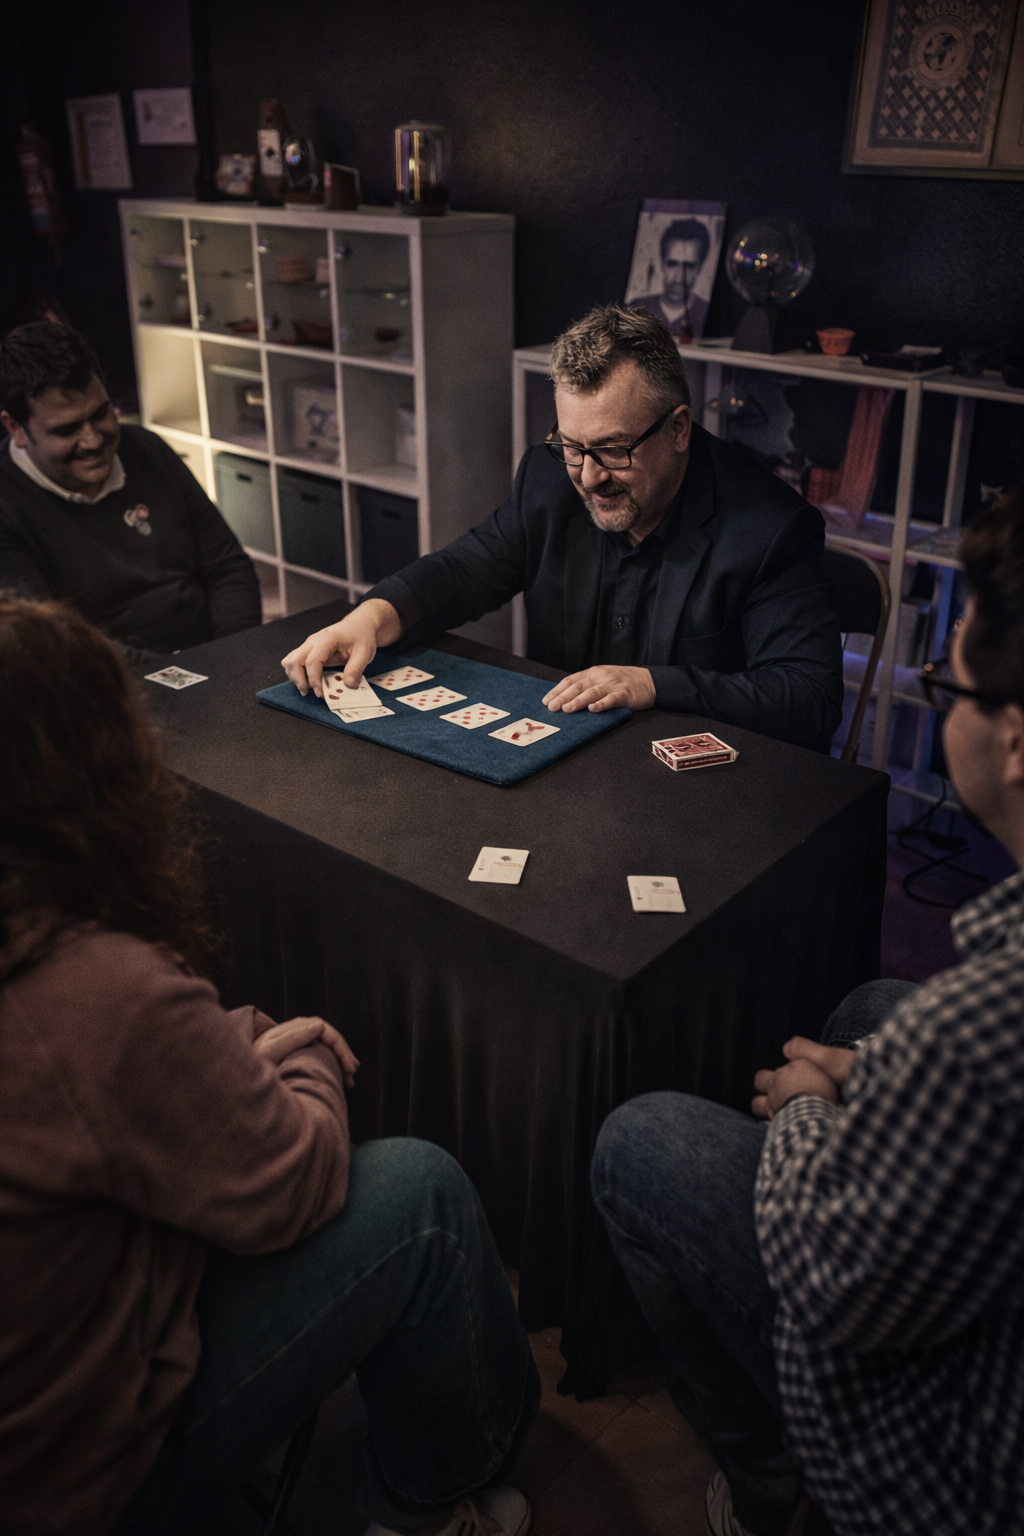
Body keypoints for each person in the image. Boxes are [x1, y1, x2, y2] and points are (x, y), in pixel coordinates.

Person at [0, 595, 539, 1536]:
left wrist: (215, 1044)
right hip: (78, 1478)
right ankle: (431, 1506)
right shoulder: (94, 988)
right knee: (422, 1193)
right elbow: (295, 1182)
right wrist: (308, 1055)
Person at [591, 487, 1024, 1536]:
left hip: (956, 1465)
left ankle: (772, 1490)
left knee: (634, 1141)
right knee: (871, 1005)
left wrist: (806, 1110)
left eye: (947, 684)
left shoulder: (980, 1025)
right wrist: (881, 1071)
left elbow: (830, 1272)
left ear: (1013, 740)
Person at [282, 304, 844, 754]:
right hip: (565, 759)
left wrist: (652, 683)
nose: (589, 477)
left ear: (678, 428)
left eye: (614, 449)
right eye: (572, 446)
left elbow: (808, 699)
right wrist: (369, 617)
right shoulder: (549, 480)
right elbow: (463, 571)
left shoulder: (771, 528)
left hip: (704, 795)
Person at [0, 321, 261, 661]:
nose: (93, 441)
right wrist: (176, 674)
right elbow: (49, 640)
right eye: (67, 430)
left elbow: (228, 567)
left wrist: (231, 655)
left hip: (212, 660)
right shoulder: (8, 503)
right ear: (16, 428)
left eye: (101, 414)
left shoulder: (147, 449)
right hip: (106, 682)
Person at [629, 217, 711, 343]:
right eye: (672, 264)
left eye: (689, 266)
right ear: (662, 263)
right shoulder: (637, 308)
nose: (679, 278)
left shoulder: (707, 314)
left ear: (699, 268)